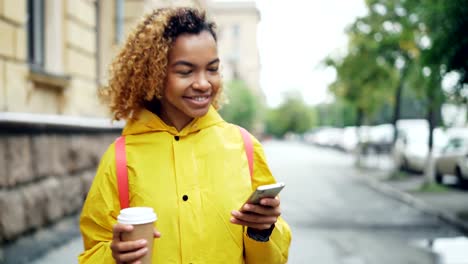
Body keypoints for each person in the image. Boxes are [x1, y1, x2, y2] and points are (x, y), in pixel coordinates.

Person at [79, 7, 291, 264]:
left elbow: (274, 259)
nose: (203, 83)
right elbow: (92, 252)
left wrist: (262, 230)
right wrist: (113, 257)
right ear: (156, 74)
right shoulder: (121, 157)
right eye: (185, 71)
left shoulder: (244, 146)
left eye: (212, 69)